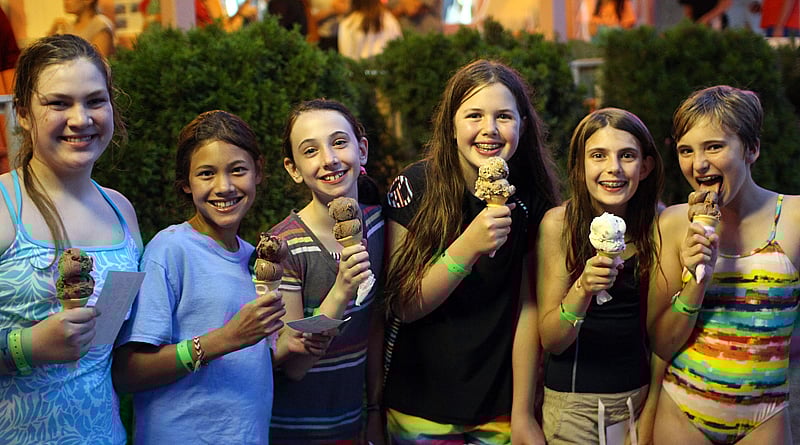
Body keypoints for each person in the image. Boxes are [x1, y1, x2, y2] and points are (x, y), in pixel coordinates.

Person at [382, 59, 561, 444]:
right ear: (451, 125)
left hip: (499, 406)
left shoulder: (532, 196)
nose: (489, 130)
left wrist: (522, 412)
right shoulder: (416, 185)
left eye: (504, 117)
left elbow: (529, 306)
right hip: (421, 405)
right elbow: (404, 304)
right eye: (474, 115)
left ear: (523, 126)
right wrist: (469, 245)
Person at [112, 110, 286, 443]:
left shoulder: (255, 259)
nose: (225, 186)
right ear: (186, 184)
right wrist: (224, 339)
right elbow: (127, 372)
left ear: (258, 171)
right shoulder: (170, 250)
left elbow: (254, 362)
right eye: (206, 173)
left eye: (237, 170)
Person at [0, 34, 141, 444]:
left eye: (95, 100)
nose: (81, 118)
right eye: (59, 103)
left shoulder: (122, 212)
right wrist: (28, 346)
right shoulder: (4, 206)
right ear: (24, 113)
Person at [651, 85, 800, 444]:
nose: (698, 164)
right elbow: (660, 341)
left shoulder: (794, 216)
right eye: (686, 150)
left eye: (714, 146)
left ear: (752, 149)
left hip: (765, 416)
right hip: (682, 412)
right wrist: (695, 283)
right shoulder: (673, 224)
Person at [534, 108, 665, 444]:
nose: (613, 168)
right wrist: (583, 288)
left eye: (627, 156)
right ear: (580, 166)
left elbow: (662, 336)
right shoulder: (559, 225)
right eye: (598, 155)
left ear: (646, 167)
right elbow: (552, 339)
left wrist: (650, 410)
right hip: (573, 407)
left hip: (640, 398)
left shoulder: (661, 225)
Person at [269, 98, 385, 444]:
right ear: (293, 168)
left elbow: (377, 325)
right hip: (296, 430)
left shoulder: (378, 223)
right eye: (310, 151)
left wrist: (375, 410)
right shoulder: (283, 246)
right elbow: (293, 365)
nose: (330, 159)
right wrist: (342, 289)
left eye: (339, 142)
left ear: (361, 149)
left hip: (352, 422)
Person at [48, 0, 116, 57]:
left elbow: (99, 63)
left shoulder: (100, 25)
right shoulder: (68, 26)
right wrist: (53, 30)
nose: (65, 1)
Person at [338, 0, 403, 59]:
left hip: (357, 70)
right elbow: (399, 51)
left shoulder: (348, 24)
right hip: (386, 70)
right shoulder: (390, 20)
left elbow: (346, 57)